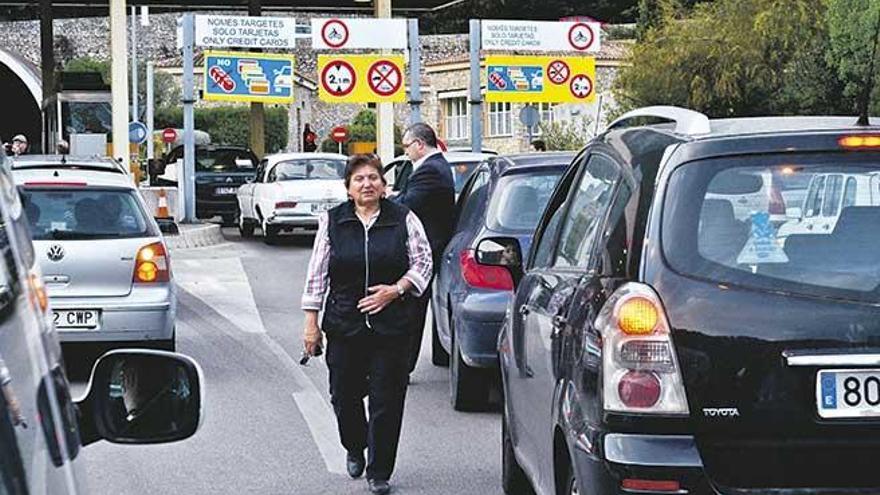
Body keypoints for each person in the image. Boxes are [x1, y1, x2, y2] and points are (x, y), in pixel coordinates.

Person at [301, 154, 433, 495]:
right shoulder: (332, 222)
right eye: (359, 179)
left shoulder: (403, 218)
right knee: (343, 395)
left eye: (373, 178)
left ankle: (379, 471)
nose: (367, 184)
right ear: (348, 188)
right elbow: (317, 274)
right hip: (344, 323)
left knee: (386, 398)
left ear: (384, 185)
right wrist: (311, 324)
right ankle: (355, 446)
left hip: (392, 326)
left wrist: (396, 290)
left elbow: (423, 262)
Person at [394, 123, 455, 374]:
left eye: (407, 146)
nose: (406, 152)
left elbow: (409, 203)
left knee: (413, 308)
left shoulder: (430, 170)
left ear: (420, 144)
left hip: (428, 247)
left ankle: (403, 367)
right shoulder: (433, 167)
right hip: (432, 243)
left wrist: (386, 202)